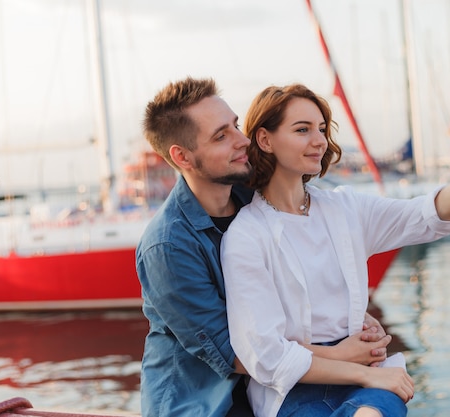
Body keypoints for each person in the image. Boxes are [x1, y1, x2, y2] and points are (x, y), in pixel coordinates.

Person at [221, 84, 450, 417]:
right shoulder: (247, 234)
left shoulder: (345, 208)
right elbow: (267, 357)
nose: (319, 141)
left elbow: (427, 215)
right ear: (265, 140)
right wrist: (363, 370)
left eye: (322, 129)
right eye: (302, 130)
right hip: (292, 390)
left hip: (365, 378)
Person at [136, 77, 392, 417]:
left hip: (269, 390)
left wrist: (353, 317)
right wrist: (345, 354)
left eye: (235, 126)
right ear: (182, 156)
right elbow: (238, 353)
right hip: (202, 403)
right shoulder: (168, 247)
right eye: (221, 136)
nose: (242, 140)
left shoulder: (251, 198)